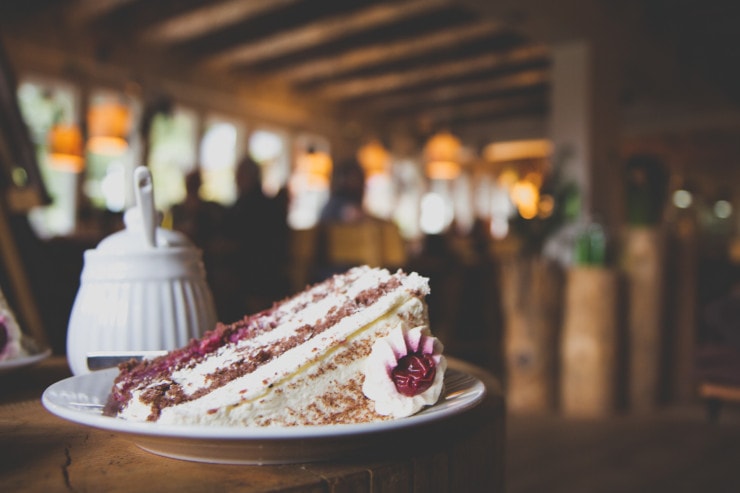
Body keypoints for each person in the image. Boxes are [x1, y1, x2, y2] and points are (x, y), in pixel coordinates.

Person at [221, 156, 289, 318]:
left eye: (240, 175)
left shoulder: (253, 206)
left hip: (256, 279)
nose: (236, 180)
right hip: (263, 276)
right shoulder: (264, 204)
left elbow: (250, 247)